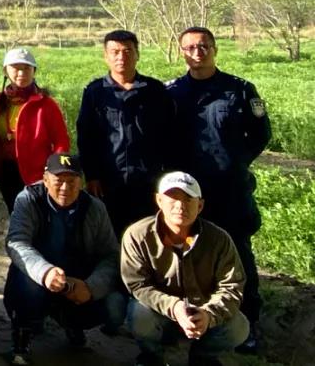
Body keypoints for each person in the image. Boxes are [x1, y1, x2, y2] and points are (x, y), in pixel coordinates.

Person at [166, 26, 270, 353]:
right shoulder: (170, 93)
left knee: (238, 255)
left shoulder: (239, 90)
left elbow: (260, 133)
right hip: (187, 194)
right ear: (182, 51)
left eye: (204, 46)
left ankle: (248, 323)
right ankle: (187, 321)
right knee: (185, 254)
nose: (198, 52)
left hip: (229, 192)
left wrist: (234, 163)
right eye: (191, 47)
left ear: (215, 49)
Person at [4, 152, 126, 366]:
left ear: (81, 182)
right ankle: (22, 337)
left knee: (115, 305)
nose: (65, 188)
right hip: (39, 278)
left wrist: (91, 287)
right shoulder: (29, 199)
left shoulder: (95, 208)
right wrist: (45, 272)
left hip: (76, 283)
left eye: (72, 181)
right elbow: (16, 242)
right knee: (25, 283)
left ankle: (73, 324)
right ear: (45, 179)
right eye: (59, 181)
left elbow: (111, 255)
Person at [121, 172, 249, 366]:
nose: (180, 206)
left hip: (203, 315)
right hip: (160, 312)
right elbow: (138, 285)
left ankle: (202, 357)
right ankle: (152, 355)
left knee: (239, 328)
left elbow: (232, 286)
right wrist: (174, 307)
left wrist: (208, 314)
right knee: (139, 315)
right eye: (173, 198)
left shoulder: (219, 240)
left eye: (188, 200)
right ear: (159, 200)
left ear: (200, 206)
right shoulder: (137, 235)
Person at [76, 30, 173, 236]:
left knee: (149, 235)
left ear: (137, 54)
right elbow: (86, 136)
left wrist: (166, 174)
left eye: (128, 51)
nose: (121, 57)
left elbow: (169, 134)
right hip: (108, 181)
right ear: (106, 56)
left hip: (148, 179)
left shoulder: (155, 90)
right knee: (110, 235)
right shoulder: (95, 92)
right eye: (115, 52)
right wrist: (92, 176)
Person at [0, 47, 70, 213]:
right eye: (15, 68)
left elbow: (61, 141)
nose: (21, 73)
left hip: (37, 174)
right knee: (15, 215)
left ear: (34, 71)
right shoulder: (0, 103)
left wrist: (54, 172)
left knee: (37, 217)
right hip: (7, 171)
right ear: (5, 71)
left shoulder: (46, 104)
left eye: (26, 68)